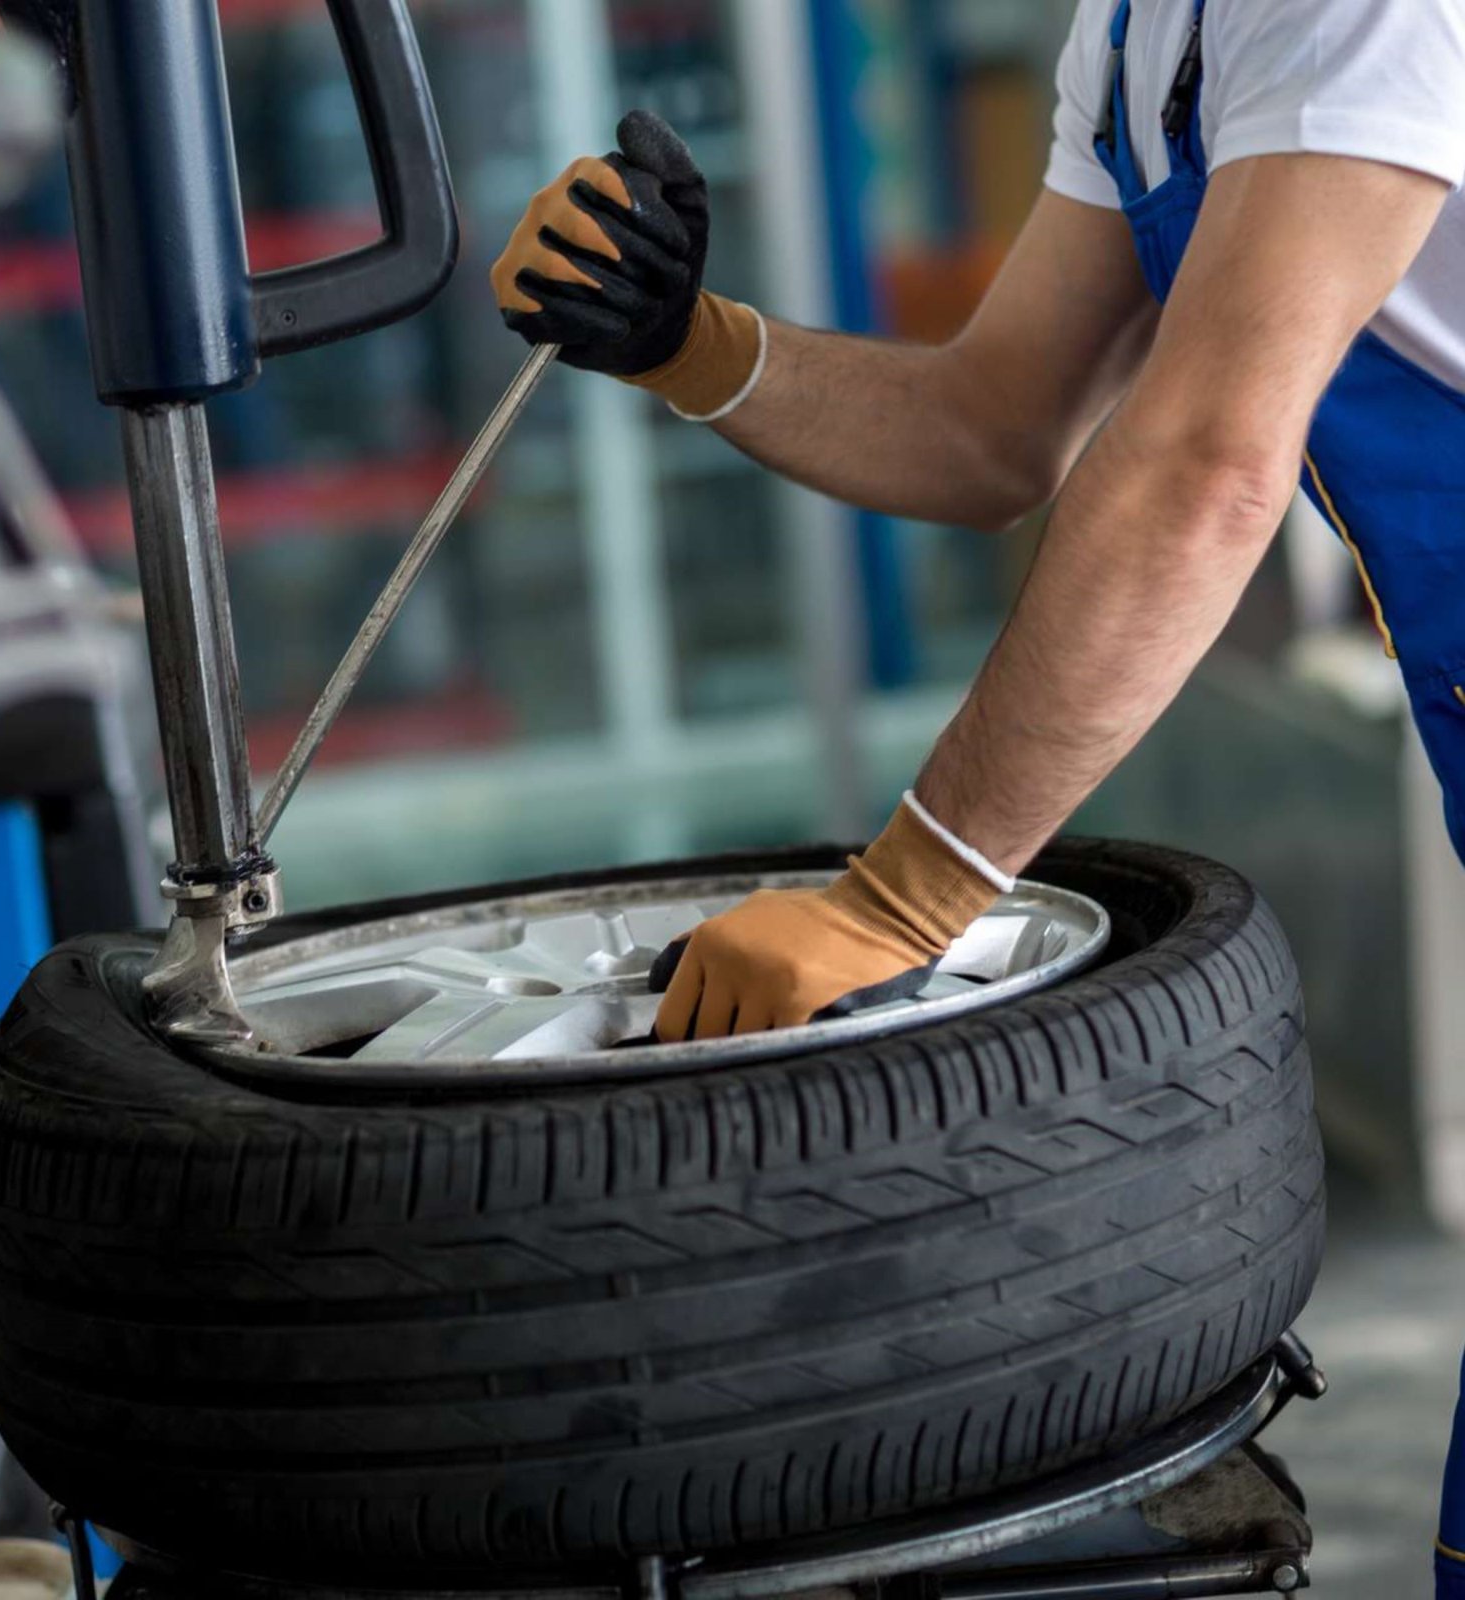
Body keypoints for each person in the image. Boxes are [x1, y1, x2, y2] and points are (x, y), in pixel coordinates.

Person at [494, 4, 1465, 1581]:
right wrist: (689, 341)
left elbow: (1212, 458)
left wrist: (909, 895)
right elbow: (994, 427)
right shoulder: (1141, 37)